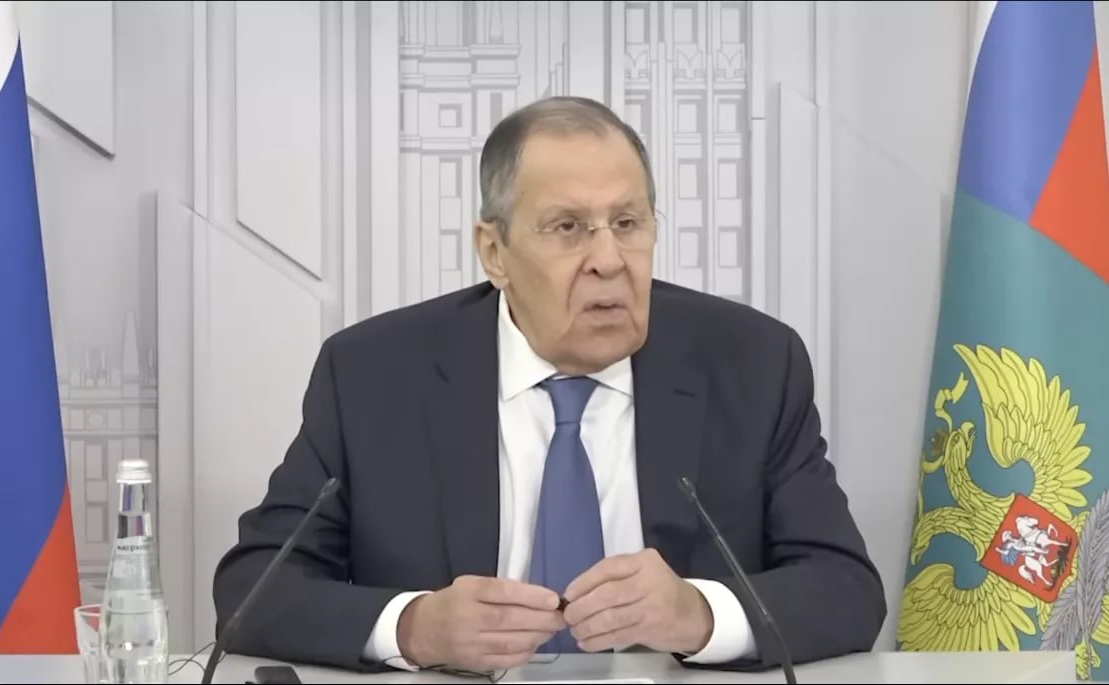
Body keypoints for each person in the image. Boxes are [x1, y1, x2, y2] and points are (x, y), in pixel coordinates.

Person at [212, 96, 886, 674]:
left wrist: (699, 613)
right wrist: (416, 627)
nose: (608, 260)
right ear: (495, 251)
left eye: (628, 223)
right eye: (568, 228)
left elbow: (847, 591)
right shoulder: (373, 374)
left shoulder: (752, 363)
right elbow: (253, 590)